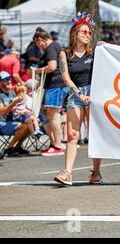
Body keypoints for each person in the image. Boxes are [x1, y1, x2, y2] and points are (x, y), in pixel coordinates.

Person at [53, 12, 102, 186]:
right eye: (84, 32)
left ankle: (96, 172)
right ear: (75, 33)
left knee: (94, 136)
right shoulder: (64, 53)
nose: (87, 35)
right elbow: (66, 77)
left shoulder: (95, 53)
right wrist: (79, 94)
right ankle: (67, 173)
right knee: (72, 135)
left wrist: (106, 49)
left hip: (93, 95)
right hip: (76, 95)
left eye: (89, 33)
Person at [34, 27, 68, 156]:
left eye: (38, 43)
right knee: (45, 112)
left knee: (53, 114)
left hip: (55, 85)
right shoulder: (53, 47)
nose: (39, 46)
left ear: (41, 39)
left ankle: (58, 145)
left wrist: (36, 71)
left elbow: (52, 67)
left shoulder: (52, 47)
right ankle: (54, 143)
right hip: (51, 85)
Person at [0, 71, 32, 159]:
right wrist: (13, 103)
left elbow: (20, 106)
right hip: (2, 122)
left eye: (10, 78)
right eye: (5, 80)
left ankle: (17, 147)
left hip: (12, 120)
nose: (9, 81)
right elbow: (2, 112)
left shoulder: (12, 93)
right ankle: (9, 148)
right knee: (23, 126)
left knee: (30, 123)